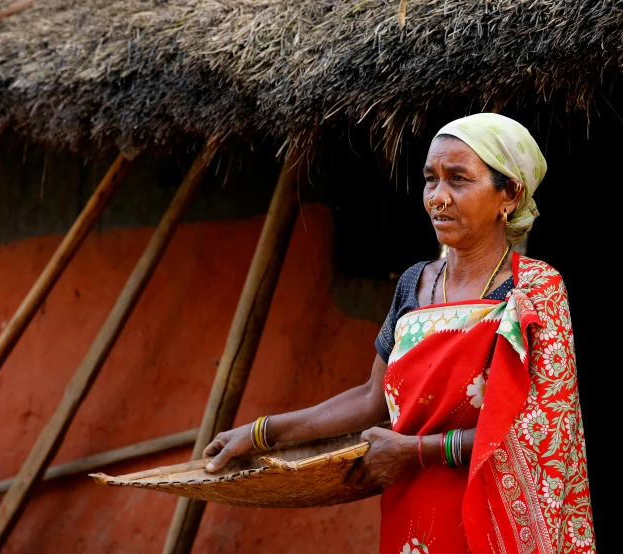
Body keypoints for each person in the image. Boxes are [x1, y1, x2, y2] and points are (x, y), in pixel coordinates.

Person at [203, 113, 595, 553]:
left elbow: (540, 430)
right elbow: (371, 398)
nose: (438, 198)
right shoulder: (414, 283)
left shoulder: (536, 290)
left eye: (459, 180)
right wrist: (260, 433)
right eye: (431, 179)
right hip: (413, 512)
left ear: (510, 194)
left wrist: (413, 452)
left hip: (494, 516)